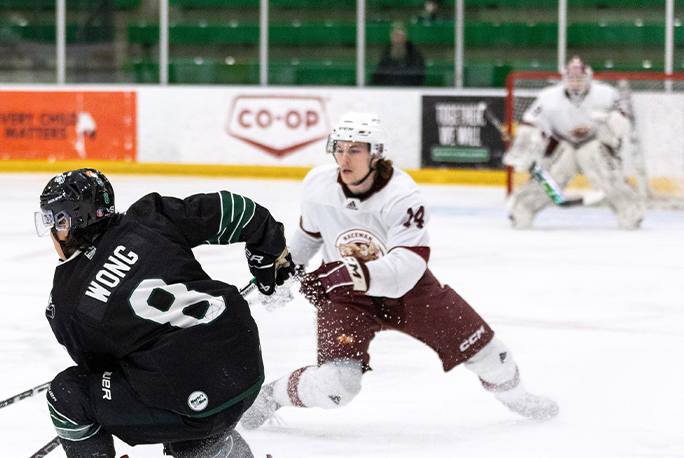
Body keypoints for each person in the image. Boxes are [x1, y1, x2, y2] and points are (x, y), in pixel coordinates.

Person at [240, 112, 559, 431]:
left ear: (375, 153)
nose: (344, 158)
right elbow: (309, 236)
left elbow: (406, 268)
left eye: (355, 150)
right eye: (339, 148)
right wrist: (282, 270)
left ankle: (518, 398)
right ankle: (271, 397)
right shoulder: (318, 185)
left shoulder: (403, 196)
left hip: (409, 291)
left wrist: (339, 274)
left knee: (492, 354)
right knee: (337, 386)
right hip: (347, 300)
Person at [34, 168, 295, 458]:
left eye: (54, 221)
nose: (51, 232)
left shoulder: (67, 300)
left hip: (190, 401)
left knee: (67, 394)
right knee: (191, 431)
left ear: (70, 222)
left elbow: (100, 369)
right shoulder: (149, 218)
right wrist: (269, 253)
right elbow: (237, 210)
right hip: (246, 369)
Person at [503, 56, 645, 229]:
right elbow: (531, 122)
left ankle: (629, 210)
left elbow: (623, 123)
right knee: (550, 181)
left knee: (607, 178)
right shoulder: (547, 98)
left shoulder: (606, 95)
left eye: (579, 79)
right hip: (564, 147)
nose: (575, 83)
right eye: (571, 79)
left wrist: (613, 119)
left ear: (589, 78)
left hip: (595, 146)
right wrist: (524, 146)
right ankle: (522, 209)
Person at [371, 22, 426, 87]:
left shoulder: (414, 54)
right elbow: (377, 76)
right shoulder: (385, 53)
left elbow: (419, 75)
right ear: (391, 37)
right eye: (395, 35)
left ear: (405, 37)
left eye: (400, 35)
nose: (398, 38)